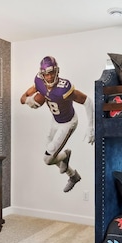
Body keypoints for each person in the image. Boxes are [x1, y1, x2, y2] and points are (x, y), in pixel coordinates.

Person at [21, 56, 94, 192]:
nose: (49, 77)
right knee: (50, 152)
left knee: (48, 159)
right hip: (55, 121)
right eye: (46, 74)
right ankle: (73, 176)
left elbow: (87, 101)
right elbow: (29, 93)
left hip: (68, 123)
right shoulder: (39, 81)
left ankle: (65, 156)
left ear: (57, 71)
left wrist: (90, 127)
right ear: (42, 74)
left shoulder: (64, 88)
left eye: (51, 73)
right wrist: (28, 100)